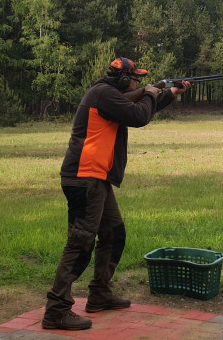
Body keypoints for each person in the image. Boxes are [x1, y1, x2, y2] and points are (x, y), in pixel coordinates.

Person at [42, 57, 192, 331]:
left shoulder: (109, 94)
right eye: (135, 78)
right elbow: (139, 116)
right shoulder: (104, 95)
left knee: (113, 234)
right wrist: (149, 91)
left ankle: (99, 294)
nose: (137, 82)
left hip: (96, 178)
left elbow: (141, 107)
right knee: (80, 243)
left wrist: (170, 93)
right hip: (85, 177)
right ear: (123, 80)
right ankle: (56, 310)